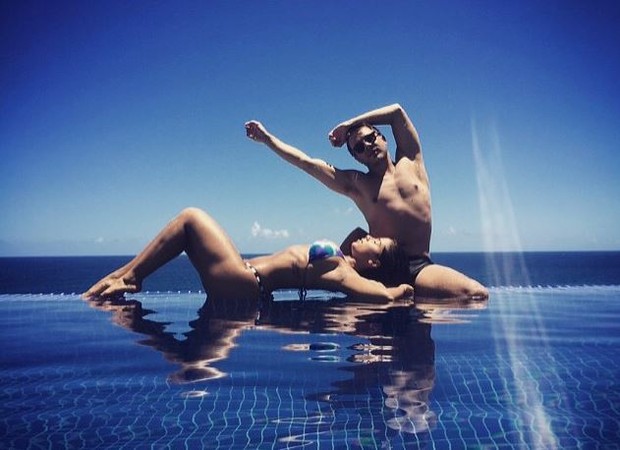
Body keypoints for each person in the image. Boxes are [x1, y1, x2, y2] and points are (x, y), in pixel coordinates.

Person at [245, 103, 488, 300]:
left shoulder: (412, 162)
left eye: (370, 138)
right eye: (359, 148)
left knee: (475, 293)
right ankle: (254, 279)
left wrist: (349, 124)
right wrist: (267, 139)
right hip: (376, 266)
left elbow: (397, 112)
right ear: (357, 158)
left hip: (418, 265)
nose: (367, 146)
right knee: (314, 267)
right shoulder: (358, 184)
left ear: (382, 137)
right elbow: (306, 163)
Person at [83, 207, 413, 306]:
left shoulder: (344, 273)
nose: (370, 236)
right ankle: (123, 276)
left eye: (376, 242)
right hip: (242, 277)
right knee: (187, 229)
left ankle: (130, 277)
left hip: (244, 282)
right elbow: (358, 231)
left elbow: (381, 294)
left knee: (191, 219)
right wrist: (376, 245)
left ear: (374, 264)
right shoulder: (344, 258)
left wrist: (400, 289)